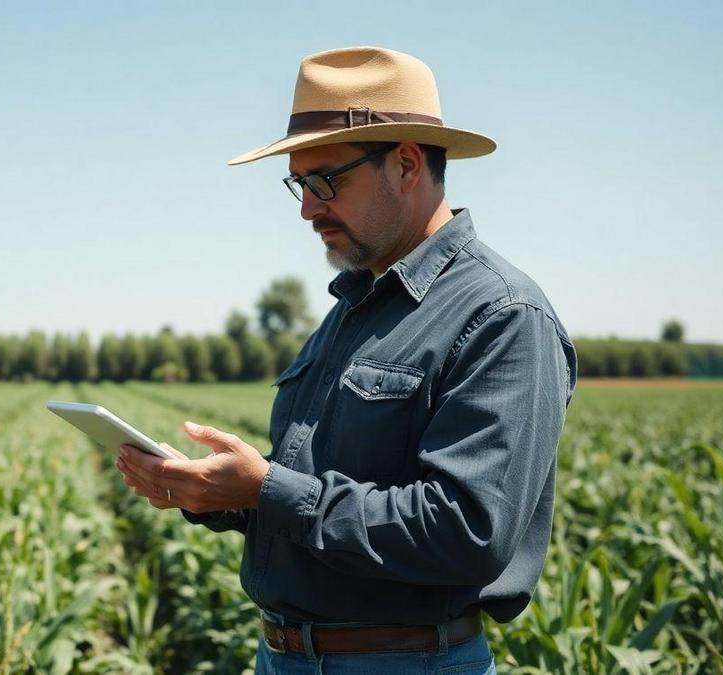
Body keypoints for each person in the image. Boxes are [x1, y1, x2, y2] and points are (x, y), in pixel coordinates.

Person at [115, 46, 577, 673]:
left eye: (326, 180)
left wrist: (268, 489)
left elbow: (467, 530)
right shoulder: (356, 304)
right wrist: (223, 496)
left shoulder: (502, 314)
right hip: (285, 657)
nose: (308, 208)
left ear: (406, 165)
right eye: (299, 184)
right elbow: (320, 493)